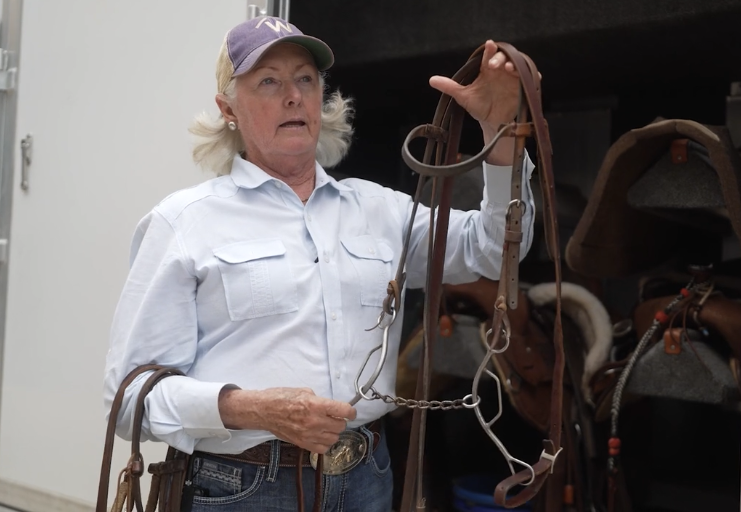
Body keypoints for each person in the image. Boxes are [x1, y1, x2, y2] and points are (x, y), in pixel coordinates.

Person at [103, 15, 537, 512]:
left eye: (305, 79)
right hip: (242, 487)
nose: (293, 95)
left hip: (367, 478)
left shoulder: (379, 209)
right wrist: (253, 409)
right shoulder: (182, 222)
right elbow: (128, 398)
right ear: (228, 109)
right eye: (269, 81)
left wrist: (501, 131)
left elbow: (496, 249)